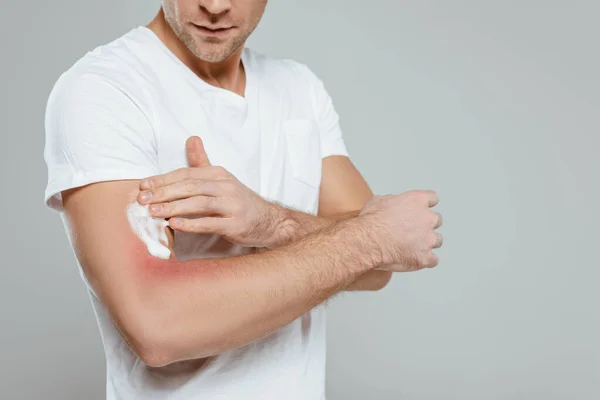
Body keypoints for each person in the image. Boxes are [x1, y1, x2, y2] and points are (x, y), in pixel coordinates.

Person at [43, 1, 443, 399]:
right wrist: (368, 239)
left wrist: (271, 222)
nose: (215, 6)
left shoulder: (298, 88)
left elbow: (377, 269)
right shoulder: (106, 90)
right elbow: (156, 324)